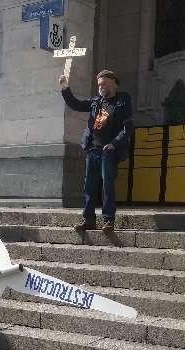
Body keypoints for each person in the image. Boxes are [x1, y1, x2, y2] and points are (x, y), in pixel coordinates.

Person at [59, 70, 134, 233]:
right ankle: (89, 220)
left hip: (109, 151)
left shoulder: (123, 100)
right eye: (99, 84)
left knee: (107, 185)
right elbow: (76, 104)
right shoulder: (95, 101)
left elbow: (127, 127)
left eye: (104, 83)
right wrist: (65, 88)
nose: (101, 87)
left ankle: (108, 220)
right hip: (92, 149)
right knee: (89, 186)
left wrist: (114, 143)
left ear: (114, 83)